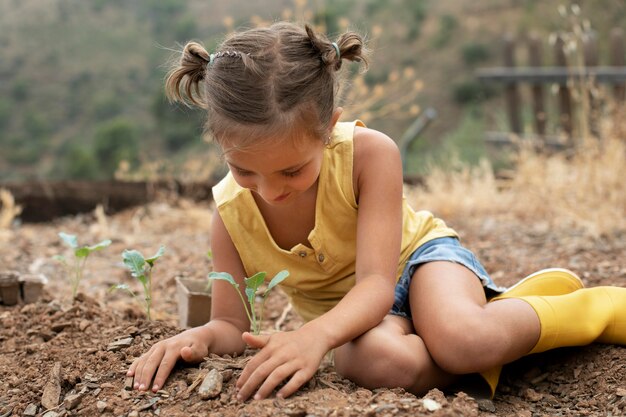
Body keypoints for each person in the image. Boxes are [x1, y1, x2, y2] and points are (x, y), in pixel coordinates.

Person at [127, 21, 626, 401]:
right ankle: (497, 337)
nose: (269, 190)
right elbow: (231, 326)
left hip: (418, 264)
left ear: (330, 129)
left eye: (292, 171)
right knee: (375, 364)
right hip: (358, 325)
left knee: (463, 339)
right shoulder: (230, 215)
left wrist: (312, 336)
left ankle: (593, 310)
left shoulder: (369, 153)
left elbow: (375, 285)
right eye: (245, 171)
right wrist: (195, 338)